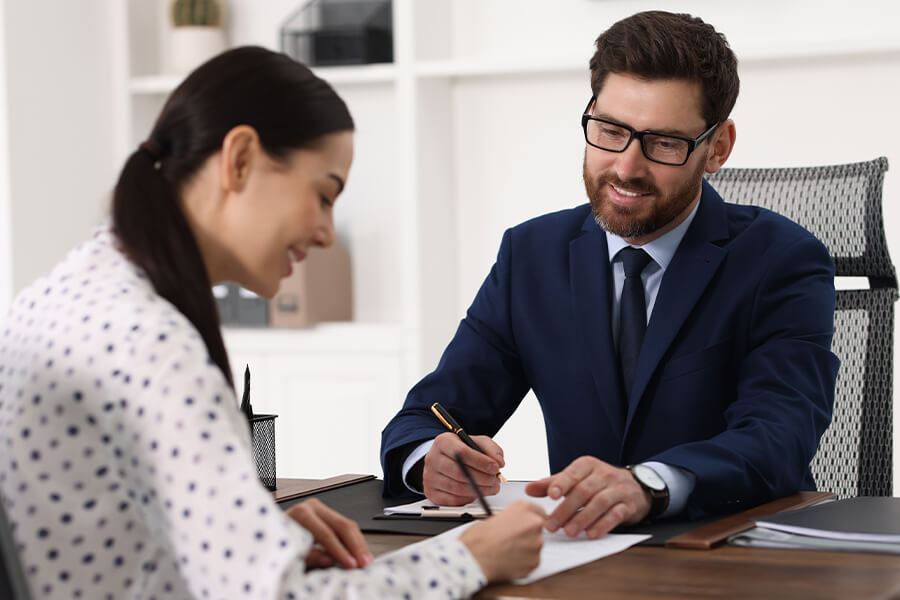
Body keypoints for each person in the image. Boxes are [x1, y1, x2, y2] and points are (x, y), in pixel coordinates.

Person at [0, 46, 546, 599]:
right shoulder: (152, 344)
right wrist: (469, 557)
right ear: (240, 158)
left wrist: (258, 534)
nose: (327, 233)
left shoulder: (70, 292)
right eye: (324, 195)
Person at [381, 11, 839, 538]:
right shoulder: (531, 255)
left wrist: (648, 485)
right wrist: (430, 459)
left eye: (665, 142)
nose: (626, 166)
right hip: (579, 558)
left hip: (729, 556)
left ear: (718, 148)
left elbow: (778, 437)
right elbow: (427, 416)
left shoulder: (782, 260)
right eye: (610, 131)